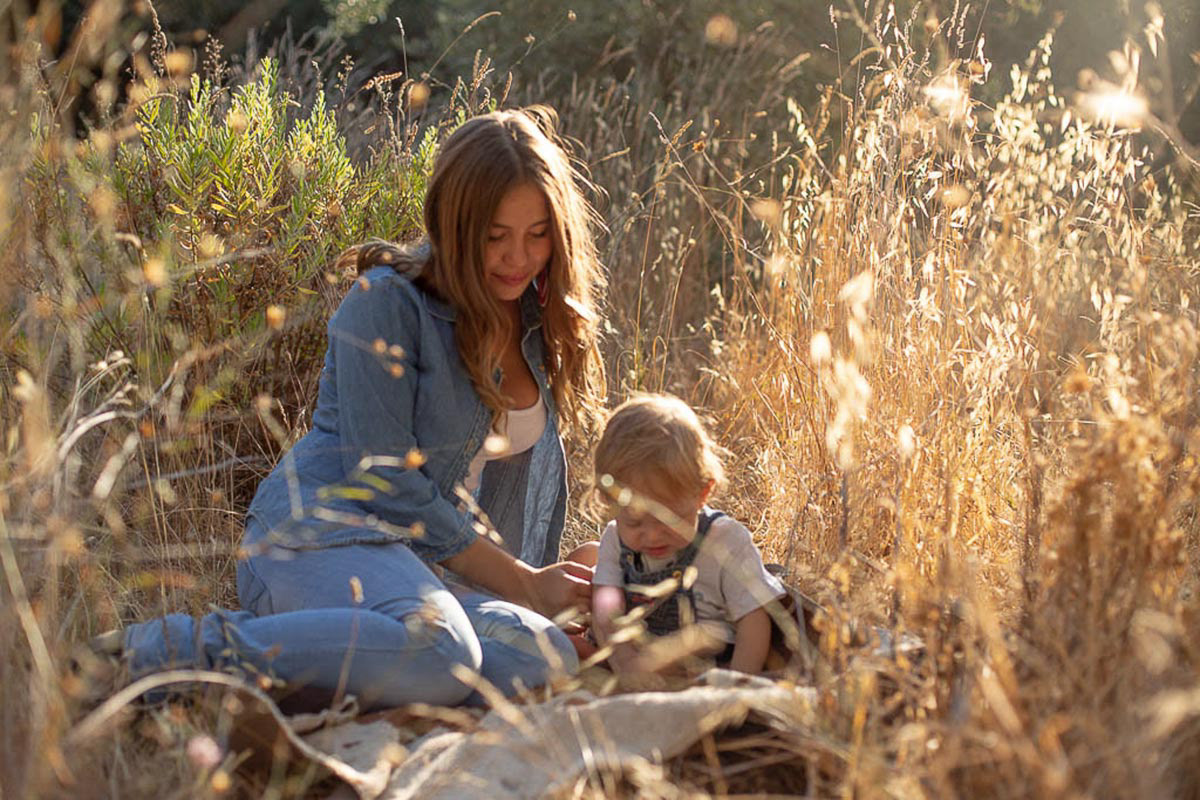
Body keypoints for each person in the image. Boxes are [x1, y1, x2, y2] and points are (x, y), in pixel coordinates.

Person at [110, 105, 607, 711]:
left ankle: (273, 690)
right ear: (454, 224)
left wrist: (557, 587)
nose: (517, 258)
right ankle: (164, 653)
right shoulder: (388, 302)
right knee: (445, 653)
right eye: (494, 236)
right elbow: (386, 483)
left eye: (537, 234)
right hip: (319, 539)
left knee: (541, 655)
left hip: (436, 574)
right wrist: (525, 584)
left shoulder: (536, 319)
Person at [587, 394, 786, 675]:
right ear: (609, 501)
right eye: (634, 521)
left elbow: (753, 619)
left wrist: (738, 685)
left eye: (671, 519)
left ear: (702, 493)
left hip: (706, 670)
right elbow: (605, 609)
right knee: (570, 652)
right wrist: (625, 666)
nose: (654, 536)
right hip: (635, 662)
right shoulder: (615, 540)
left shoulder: (726, 541)